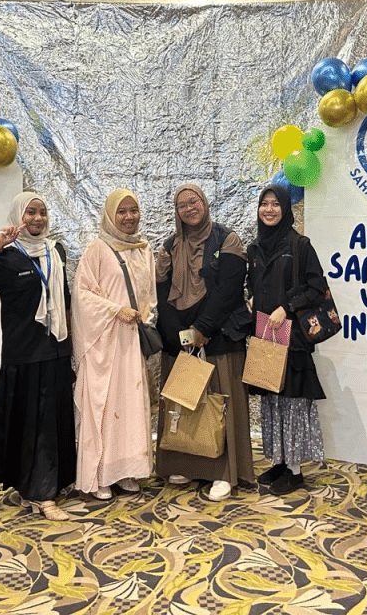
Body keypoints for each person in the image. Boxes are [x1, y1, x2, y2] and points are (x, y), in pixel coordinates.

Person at [0, 192, 76, 520]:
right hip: (24, 354)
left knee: (52, 423)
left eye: (42, 212)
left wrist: (72, 347)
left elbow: (65, 299)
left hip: (55, 350)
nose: (37, 218)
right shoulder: (8, 257)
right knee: (32, 425)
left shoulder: (56, 252)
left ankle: (43, 486)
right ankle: (41, 493)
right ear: (18, 216)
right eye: (30, 212)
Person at [154, 184, 254, 500]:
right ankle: (187, 465)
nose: (189, 208)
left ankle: (224, 472)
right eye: (182, 204)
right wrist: (181, 335)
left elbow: (229, 290)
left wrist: (202, 328)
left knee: (220, 403)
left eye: (193, 201)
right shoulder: (170, 247)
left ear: (204, 202)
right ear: (176, 211)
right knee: (184, 405)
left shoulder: (227, 240)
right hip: (183, 341)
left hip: (220, 336)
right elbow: (161, 295)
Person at [73, 189, 156, 500]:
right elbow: (82, 295)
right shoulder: (97, 249)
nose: (128, 217)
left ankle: (126, 471)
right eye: (121, 211)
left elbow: (150, 294)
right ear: (110, 215)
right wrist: (114, 310)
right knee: (104, 407)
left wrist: (145, 314)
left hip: (131, 341)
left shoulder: (143, 250)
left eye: (133, 210)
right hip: (103, 344)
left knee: (130, 407)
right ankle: (100, 475)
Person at [246, 185, 328, 495]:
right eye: (264, 204)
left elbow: (317, 288)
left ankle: (295, 471)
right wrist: (252, 298)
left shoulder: (300, 245)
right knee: (273, 402)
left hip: (292, 338)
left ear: (285, 208)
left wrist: (288, 307)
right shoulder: (254, 248)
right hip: (266, 336)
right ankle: (279, 462)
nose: (269, 209)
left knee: (292, 401)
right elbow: (254, 283)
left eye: (275, 204)